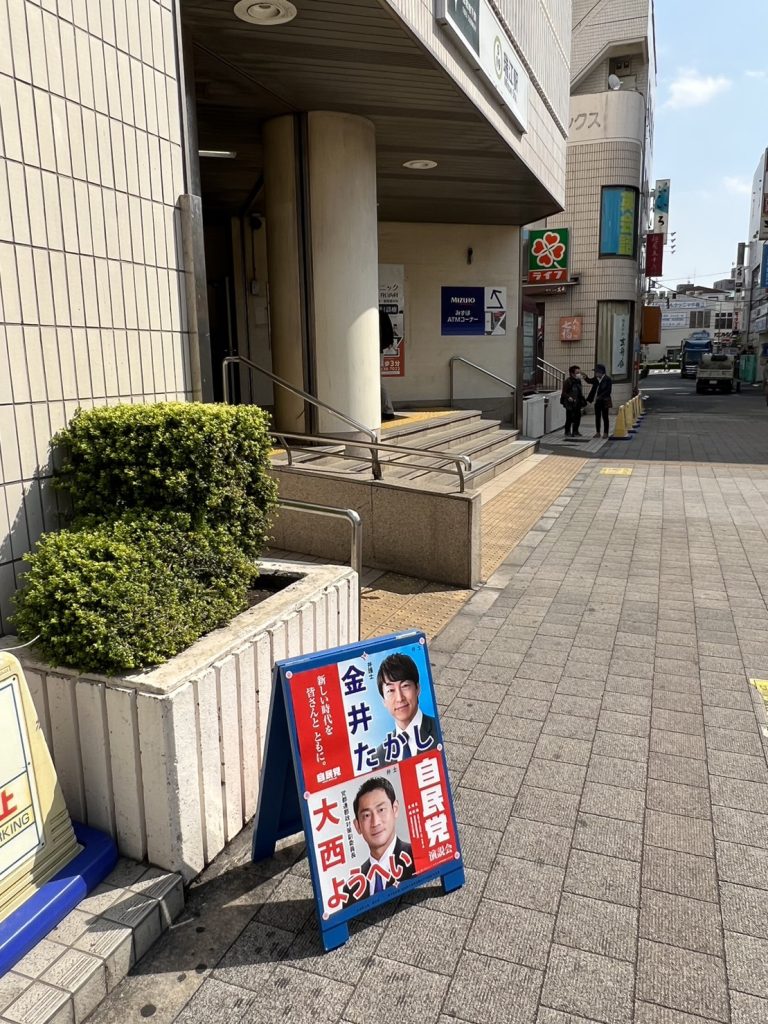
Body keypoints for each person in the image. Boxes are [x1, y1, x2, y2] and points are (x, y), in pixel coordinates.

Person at [345, 777, 415, 903]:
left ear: (395, 809)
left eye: (381, 810)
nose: (375, 822)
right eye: (366, 815)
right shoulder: (351, 888)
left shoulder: (416, 857)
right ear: (357, 826)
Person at [374, 652, 438, 766]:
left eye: (405, 686)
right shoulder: (379, 756)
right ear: (383, 701)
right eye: (390, 690)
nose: (399, 698)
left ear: (417, 688)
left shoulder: (439, 731)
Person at [584, 363, 613, 438]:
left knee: (605, 417)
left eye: (597, 372)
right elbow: (589, 381)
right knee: (597, 417)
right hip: (597, 401)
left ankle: (606, 433)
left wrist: (600, 396)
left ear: (601, 372)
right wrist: (585, 377)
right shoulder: (596, 379)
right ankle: (598, 432)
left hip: (605, 401)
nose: (595, 373)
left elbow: (608, 391)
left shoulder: (607, 379)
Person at [560, 365, 585, 438]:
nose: (579, 374)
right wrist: (569, 397)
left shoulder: (578, 381)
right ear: (572, 373)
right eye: (577, 372)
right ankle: (567, 431)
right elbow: (564, 392)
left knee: (578, 417)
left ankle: (575, 431)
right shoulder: (568, 381)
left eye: (579, 372)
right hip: (570, 403)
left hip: (578, 402)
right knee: (569, 417)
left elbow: (580, 391)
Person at [379, 309, 395, 421]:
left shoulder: (380, 315)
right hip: (378, 351)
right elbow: (389, 336)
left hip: (375, 352)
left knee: (378, 381)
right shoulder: (382, 314)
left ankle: (388, 409)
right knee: (378, 381)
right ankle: (387, 409)